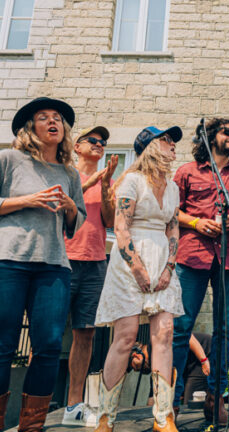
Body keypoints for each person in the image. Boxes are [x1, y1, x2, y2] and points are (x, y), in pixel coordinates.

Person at [0, 97, 86, 432]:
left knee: (49, 346)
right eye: (44, 117)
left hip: (53, 265)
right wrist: (26, 200)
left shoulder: (69, 173)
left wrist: (69, 207)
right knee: (1, 346)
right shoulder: (9, 159)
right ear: (29, 128)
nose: (54, 122)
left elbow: (78, 220)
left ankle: (31, 427)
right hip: (5, 261)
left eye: (58, 119)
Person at [93, 126, 184, 432]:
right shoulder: (132, 181)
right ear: (149, 148)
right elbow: (120, 226)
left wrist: (169, 266)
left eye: (173, 141)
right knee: (126, 336)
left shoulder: (172, 187)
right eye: (165, 140)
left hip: (162, 259)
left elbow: (173, 227)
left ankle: (163, 416)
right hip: (131, 261)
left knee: (165, 333)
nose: (172, 145)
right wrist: (137, 267)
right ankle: (106, 417)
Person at [171, 118, 229, 426]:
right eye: (227, 132)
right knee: (180, 329)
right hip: (191, 257)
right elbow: (172, 210)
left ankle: (215, 399)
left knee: (226, 331)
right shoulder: (186, 172)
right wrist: (195, 222)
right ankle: (173, 401)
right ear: (211, 137)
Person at [63, 126, 119, 426]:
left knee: (86, 333)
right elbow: (62, 204)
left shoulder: (105, 182)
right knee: (47, 335)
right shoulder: (66, 173)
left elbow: (109, 220)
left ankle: (74, 405)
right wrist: (95, 180)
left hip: (96, 261)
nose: (99, 145)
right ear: (77, 147)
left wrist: (107, 185)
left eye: (103, 143)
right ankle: (39, 402)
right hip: (62, 259)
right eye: (93, 141)